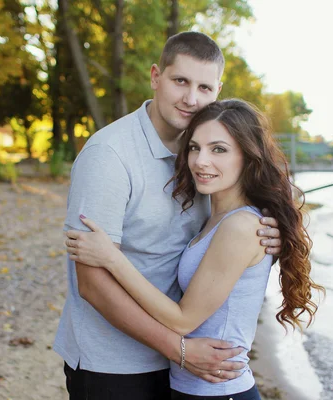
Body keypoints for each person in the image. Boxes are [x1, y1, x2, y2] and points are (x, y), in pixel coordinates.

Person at [53, 32, 282, 400]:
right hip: (115, 364)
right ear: (156, 77)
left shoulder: (205, 158)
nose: (192, 99)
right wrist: (179, 348)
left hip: (181, 365)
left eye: (204, 87)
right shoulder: (109, 156)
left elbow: (265, 192)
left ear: (218, 91)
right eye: (180, 81)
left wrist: (277, 230)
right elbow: (92, 284)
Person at [66, 99, 325, 400]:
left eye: (219, 149)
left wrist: (112, 259)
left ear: (248, 156)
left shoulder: (241, 226)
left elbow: (182, 320)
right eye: (194, 148)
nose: (201, 161)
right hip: (194, 388)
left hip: (219, 390)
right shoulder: (215, 215)